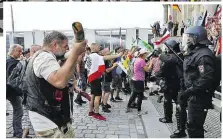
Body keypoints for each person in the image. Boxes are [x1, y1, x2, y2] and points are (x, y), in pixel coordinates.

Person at [25, 31, 86, 138]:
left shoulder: (46, 57)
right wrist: (75, 53)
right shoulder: (44, 57)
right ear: (55, 45)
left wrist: (65, 61)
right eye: (65, 46)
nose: (67, 50)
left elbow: (62, 76)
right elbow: (60, 82)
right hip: (47, 119)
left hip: (53, 117)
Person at [179, 26, 216, 138]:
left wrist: (190, 91)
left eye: (189, 37)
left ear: (196, 38)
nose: (187, 40)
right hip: (193, 95)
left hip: (199, 97)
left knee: (194, 127)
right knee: (191, 125)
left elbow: (205, 77)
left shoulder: (203, 55)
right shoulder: (195, 52)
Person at [86, 43, 123, 120]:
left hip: (91, 78)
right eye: (98, 46)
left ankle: (90, 111)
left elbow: (88, 68)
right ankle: (96, 113)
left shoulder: (89, 56)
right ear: (94, 47)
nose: (99, 47)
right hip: (95, 78)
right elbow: (106, 57)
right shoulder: (96, 56)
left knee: (92, 95)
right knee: (97, 97)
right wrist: (117, 55)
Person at [156, 39, 182, 124]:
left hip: (169, 82)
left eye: (167, 47)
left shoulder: (171, 57)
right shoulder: (178, 56)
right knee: (177, 100)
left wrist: (157, 74)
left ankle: (168, 118)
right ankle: (180, 118)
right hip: (176, 82)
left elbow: (162, 70)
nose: (166, 49)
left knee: (167, 101)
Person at [22, 44, 41, 138]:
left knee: (26, 115)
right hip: (34, 95)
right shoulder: (35, 62)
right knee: (37, 118)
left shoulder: (25, 61)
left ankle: (24, 135)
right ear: (33, 51)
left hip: (26, 94)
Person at [126, 48, 151, 115]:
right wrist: (151, 63)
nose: (146, 55)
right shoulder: (142, 60)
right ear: (143, 54)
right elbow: (147, 70)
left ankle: (129, 107)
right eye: (146, 53)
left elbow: (142, 67)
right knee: (139, 96)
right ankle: (138, 110)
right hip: (139, 80)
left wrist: (147, 64)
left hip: (135, 79)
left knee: (134, 95)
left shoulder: (137, 59)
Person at [6, 44, 23, 138]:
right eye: (19, 51)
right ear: (13, 51)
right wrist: (21, 92)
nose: (21, 53)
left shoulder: (8, 61)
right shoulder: (13, 63)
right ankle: (18, 133)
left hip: (10, 91)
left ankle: (17, 132)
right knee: (19, 112)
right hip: (12, 92)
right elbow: (13, 81)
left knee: (17, 111)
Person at [101, 48, 118, 113]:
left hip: (106, 77)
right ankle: (104, 106)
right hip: (106, 77)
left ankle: (103, 103)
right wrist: (113, 66)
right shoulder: (104, 60)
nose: (109, 52)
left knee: (104, 91)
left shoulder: (105, 59)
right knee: (107, 92)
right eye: (108, 51)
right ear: (104, 53)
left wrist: (112, 64)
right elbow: (107, 70)